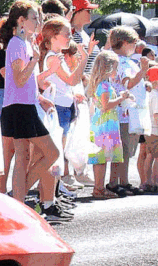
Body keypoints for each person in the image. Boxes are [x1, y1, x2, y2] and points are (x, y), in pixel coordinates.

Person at [0, 0, 62, 218]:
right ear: (21, 20)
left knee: (23, 157)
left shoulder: (26, 42)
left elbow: (26, 82)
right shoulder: (17, 43)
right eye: (35, 17)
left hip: (24, 105)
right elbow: (18, 79)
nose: (39, 21)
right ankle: (19, 198)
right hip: (19, 108)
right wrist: (36, 59)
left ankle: (17, 204)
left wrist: (39, 97)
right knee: (51, 152)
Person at [36, 17, 88, 189]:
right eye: (67, 35)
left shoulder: (56, 56)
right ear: (54, 37)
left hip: (64, 106)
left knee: (59, 150)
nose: (70, 38)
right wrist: (84, 59)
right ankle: (50, 188)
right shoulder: (53, 58)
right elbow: (72, 80)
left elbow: (66, 84)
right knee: (56, 151)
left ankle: (55, 188)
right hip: (58, 108)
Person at [107, 26, 151, 196]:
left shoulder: (125, 60)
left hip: (127, 111)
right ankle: (114, 181)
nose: (136, 45)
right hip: (123, 111)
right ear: (124, 43)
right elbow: (128, 83)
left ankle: (123, 181)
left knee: (126, 150)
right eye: (134, 42)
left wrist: (143, 82)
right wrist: (143, 71)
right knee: (121, 149)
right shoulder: (121, 62)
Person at [86, 51, 125, 198]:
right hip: (105, 125)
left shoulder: (99, 83)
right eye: (115, 67)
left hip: (102, 123)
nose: (116, 71)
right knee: (101, 158)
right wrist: (122, 98)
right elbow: (106, 105)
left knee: (101, 158)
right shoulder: (104, 85)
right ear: (108, 68)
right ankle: (99, 188)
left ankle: (99, 187)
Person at [69, 0, 100, 75]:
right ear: (77, 12)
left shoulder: (83, 33)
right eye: (88, 10)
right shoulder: (71, 34)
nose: (91, 13)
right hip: (82, 81)